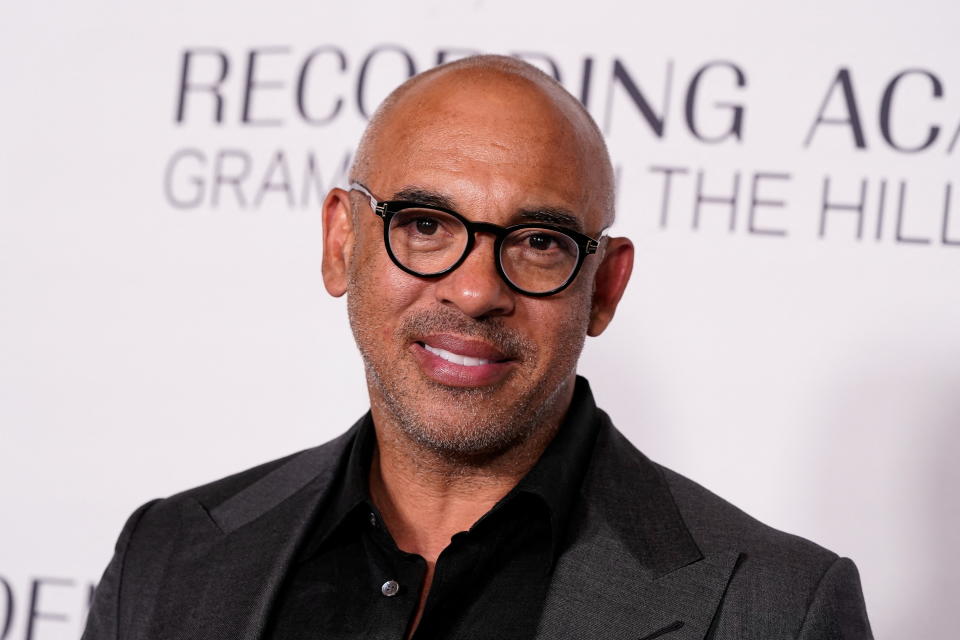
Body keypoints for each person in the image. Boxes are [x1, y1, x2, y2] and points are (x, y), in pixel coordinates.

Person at [82, 55, 872, 640]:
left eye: (536, 241)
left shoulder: (775, 608)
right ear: (340, 243)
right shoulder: (169, 555)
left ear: (604, 288)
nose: (473, 291)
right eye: (424, 226)